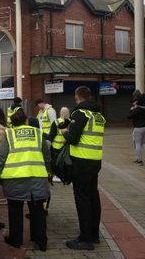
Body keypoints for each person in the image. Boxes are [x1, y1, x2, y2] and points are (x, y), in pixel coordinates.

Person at [0, 106, 50, 255]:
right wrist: (48, 172)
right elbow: (47, 155)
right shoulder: (38, 133)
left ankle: (15, 240)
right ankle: (40, 241)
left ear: (12, 123)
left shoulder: (9, 134)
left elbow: (1, 158)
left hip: (14, 179)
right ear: (26, 121)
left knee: (15, 210)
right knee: (38, 211)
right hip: (37, 177)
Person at [65, 85, 105, 250]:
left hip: (81, 161)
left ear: (77, 96)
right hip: (95, 160)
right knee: (93, 197)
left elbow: (73, 138)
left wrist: (65, 133)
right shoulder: (98, 115)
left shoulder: (80, 113)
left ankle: (85, 239)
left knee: (82, 199)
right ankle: (94, 235)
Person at [127, 90, 145, 165]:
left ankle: (139, 159)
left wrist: (131, 110)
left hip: (138, 128)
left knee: (137, 144)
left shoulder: (136, 110)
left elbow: (128, 117)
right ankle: (139, 158)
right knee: (143, 143)